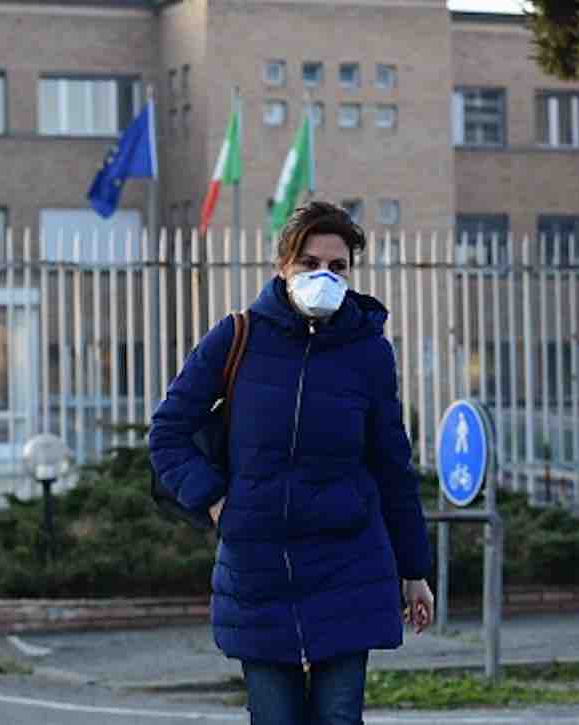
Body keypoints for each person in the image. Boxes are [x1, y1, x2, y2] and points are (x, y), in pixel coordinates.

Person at [149, 201, 434, 725]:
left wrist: (415, 570)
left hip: (349, 562)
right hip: (258, 571)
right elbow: (167, 433)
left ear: (351, 273)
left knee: (339, 718)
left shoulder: (369, 353)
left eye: (337, 266)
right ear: (283, 266)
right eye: (309, 263)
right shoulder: (236, 338)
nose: (323, 276)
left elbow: (393, 465)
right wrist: (215, 502)